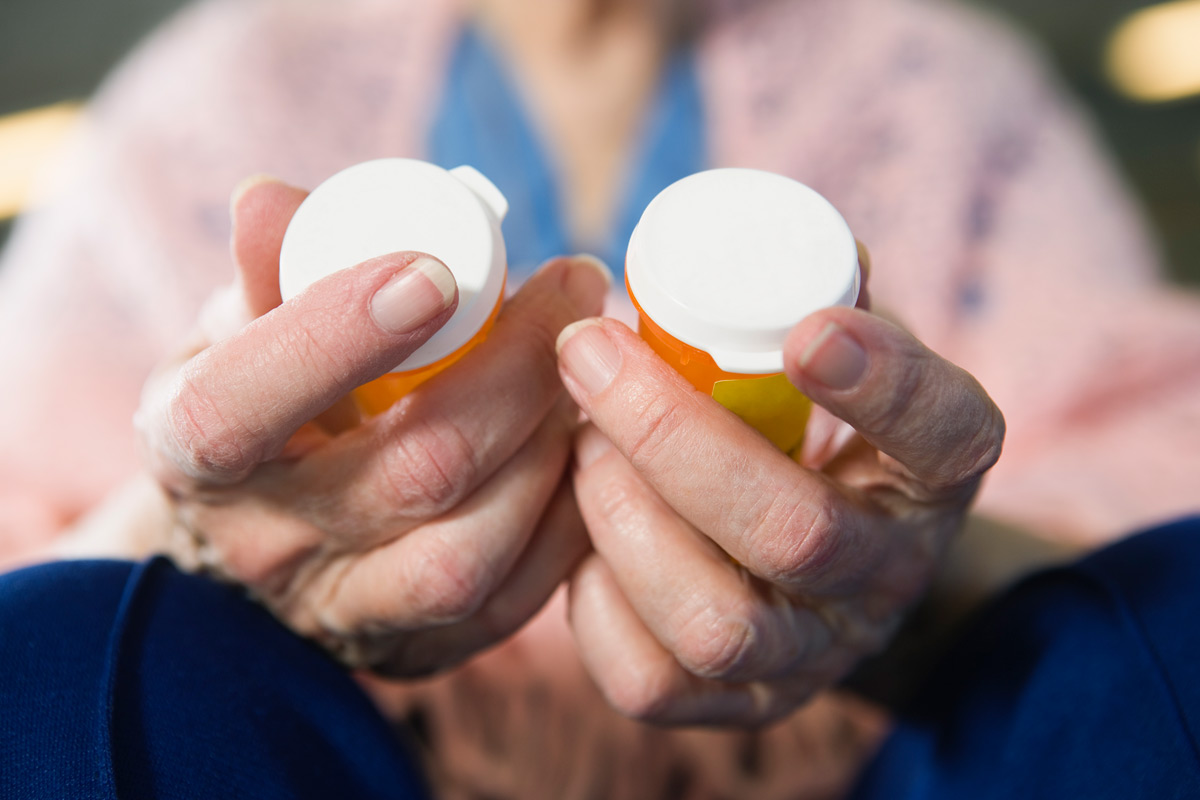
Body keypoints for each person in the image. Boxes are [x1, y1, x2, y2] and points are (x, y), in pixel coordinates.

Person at [1, 0, 1197, 795]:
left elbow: (1148, 503)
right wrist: (195, 529)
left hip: (869, 767)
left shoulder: (941, 85)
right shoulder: (212, 92)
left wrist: (916, 571)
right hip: (341, 760)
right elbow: (29, 550)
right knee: (54, 665)